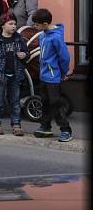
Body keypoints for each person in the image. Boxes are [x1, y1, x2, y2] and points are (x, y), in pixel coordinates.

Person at [31, 8, 73, 142]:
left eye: (36, 25)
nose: (34, 27)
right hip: (43, 75)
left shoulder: (55, 37)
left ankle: (66, 130)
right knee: (45, 102)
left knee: (55, 103)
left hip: (53, 76)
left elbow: (64, 57)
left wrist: (63, 72)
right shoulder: (43, 35)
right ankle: (45, 126)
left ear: (44, 24)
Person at [0, 13, 28, 136]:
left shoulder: (19, 39)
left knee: (15, 101)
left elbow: (26, 52)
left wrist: (24, 54)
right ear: (3, 25)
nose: (14, 26)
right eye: (10, 24)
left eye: (15, 24)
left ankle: (16, 125)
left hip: (15, 75)